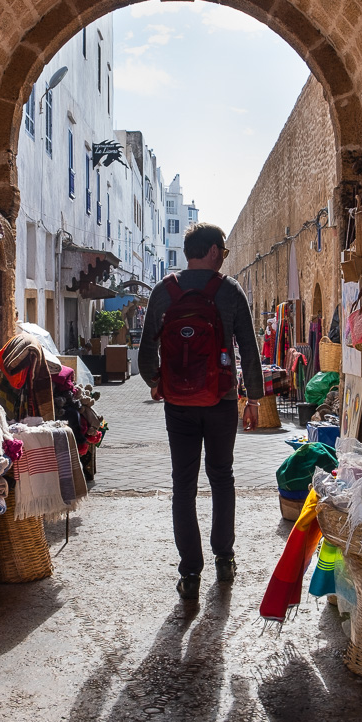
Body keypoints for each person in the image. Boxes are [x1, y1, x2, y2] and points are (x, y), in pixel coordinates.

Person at [139, 223, 265, 601]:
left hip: (178, 404)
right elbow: (249, 346)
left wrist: (157, 381)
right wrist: (254, 399)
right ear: (212, 251)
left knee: (184, 485)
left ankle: (190, 572)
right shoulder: (229, 291)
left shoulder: (165, 291)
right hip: (221, 400)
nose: (223, 259)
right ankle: (224, 558)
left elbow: (147, 348)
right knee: (222, 476)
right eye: (223, 253)